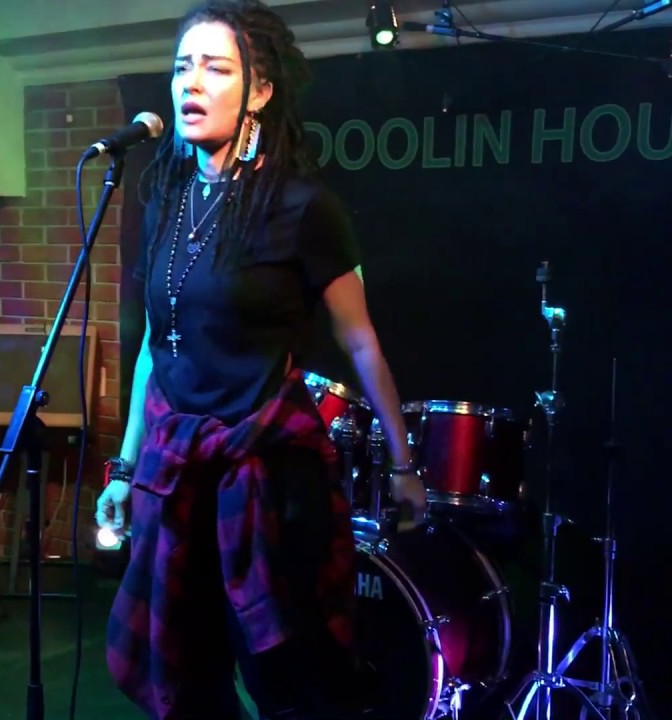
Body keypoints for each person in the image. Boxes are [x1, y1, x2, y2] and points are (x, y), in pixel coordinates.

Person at [95, 2, 426, 718]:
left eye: (216, 69)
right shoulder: (165, 201)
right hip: (176, 476)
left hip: (268, 479)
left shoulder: (303, 207)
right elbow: (157, 343)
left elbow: (360, 341)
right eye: (182, 67)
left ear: (261, 91)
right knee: (188, 680)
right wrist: (125, 466)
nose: (191, 83)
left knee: (289, 681)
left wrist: (403, 465)